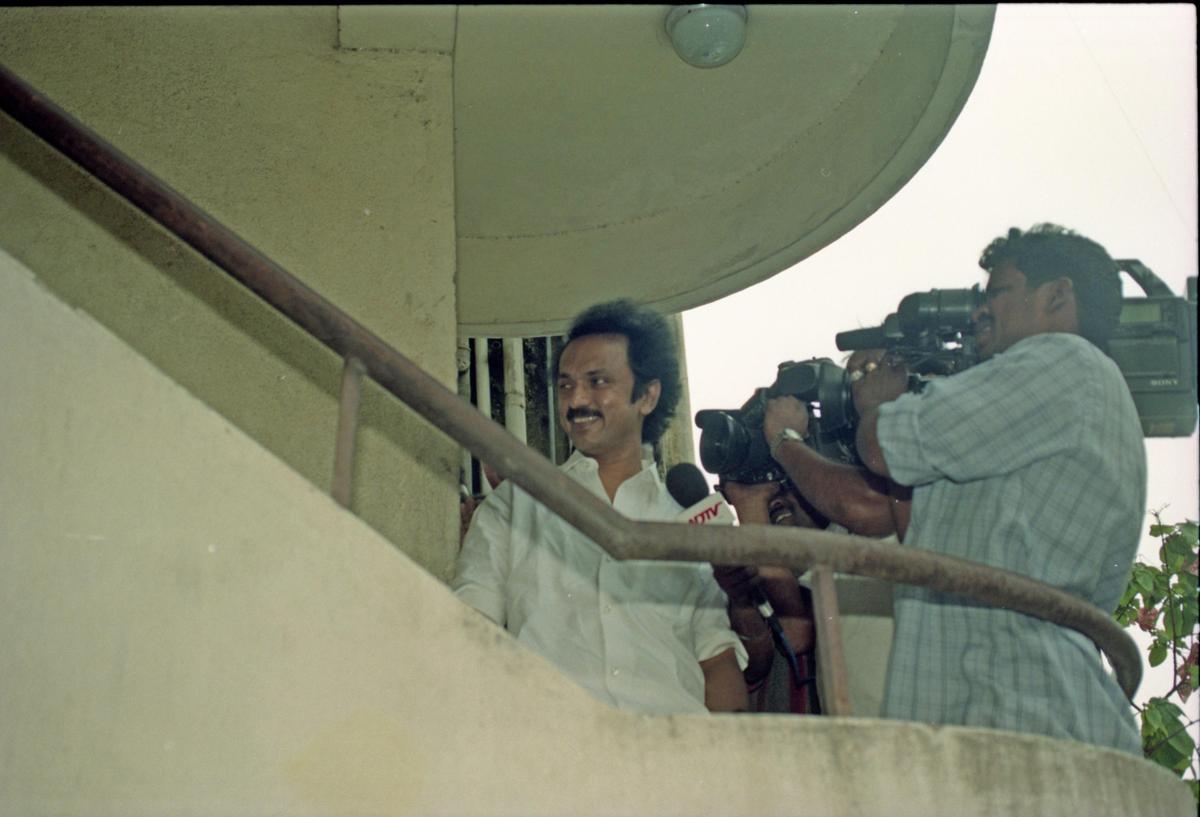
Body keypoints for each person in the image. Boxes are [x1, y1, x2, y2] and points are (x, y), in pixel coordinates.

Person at [764, 223, 1145, 753]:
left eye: (997, 293)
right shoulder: (1075, 393)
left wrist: (872, 406)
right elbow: (914, 520)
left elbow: (885, 446)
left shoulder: (1062, 361)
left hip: (1013, 720)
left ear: (1057, 296)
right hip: (997, 720)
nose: (978, 311)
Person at [452, 299, 748, 714]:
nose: (576, 401)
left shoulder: (684, 525)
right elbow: (468, 632)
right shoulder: (515, 504)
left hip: (673, 757)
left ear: (646, 396)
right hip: (552, 751)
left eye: (598, 381)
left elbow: (717, 664)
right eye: (566, 384)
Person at [715, 479, 820, 714]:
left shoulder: (845, 552)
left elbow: (796, 633)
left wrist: (750, 505)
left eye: (783, 480)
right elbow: (751, 667)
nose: (774, 496)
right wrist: (742, 603)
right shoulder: (736, 576)